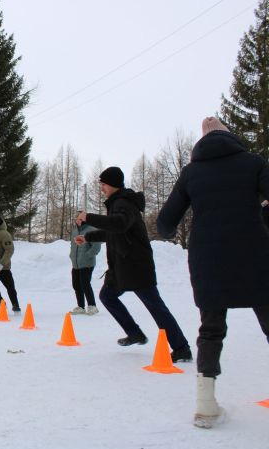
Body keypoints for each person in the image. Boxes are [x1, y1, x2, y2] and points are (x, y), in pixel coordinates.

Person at [157, 117, 269, 429]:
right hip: (255, 254)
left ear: (200, 143)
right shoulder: (254, 163)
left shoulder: (192, 172)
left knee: (210, 329)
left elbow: (166, 225)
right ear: (230, 137)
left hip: (209, 258)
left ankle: (205, 405)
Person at [75, 166, 191, 362]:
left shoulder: (124, 203)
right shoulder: (117, 203)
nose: (102, 187)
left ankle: (181, 348)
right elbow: (115, 231)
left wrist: (89, 218)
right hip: (122, 266)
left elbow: (118, 224)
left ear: (112, 184)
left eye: (103, 184)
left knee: (155, 306)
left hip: (136, 266)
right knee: (107, 296)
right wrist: (89, 237)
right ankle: (134, 333)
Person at [69, 215, 102, 315]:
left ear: (84, 220)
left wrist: (87, 256)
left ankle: (92, 306)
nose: (77, 220)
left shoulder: (91, 230)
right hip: (76, 263)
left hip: (87, 263)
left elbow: (96, 247)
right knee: (76, 285)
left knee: (85, 284)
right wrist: (71, 255)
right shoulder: (75, 231)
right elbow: (72, 245)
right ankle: (80, 307)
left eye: (79, 219)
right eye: (77, 218)